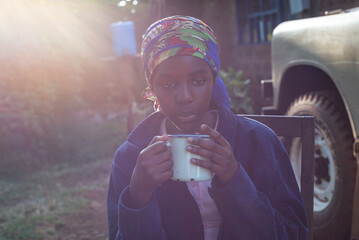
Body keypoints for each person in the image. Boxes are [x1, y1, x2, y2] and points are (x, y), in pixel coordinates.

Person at [107, 15, 308, 240]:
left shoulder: (259, 142)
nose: (184, 97)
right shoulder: (131, 157)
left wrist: (235, 180)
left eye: (198, 81)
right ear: (152, 88)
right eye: (168, 84)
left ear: (213, 79)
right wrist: (138, 196)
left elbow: (293, 233)